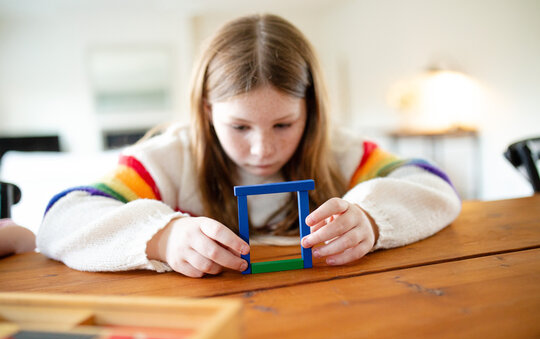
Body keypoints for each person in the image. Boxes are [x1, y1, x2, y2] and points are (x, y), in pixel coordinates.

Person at [37, 14, 461, 277]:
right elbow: (62, 218)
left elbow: (433, 186)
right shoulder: (168, 160)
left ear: (309, 111)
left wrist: (371, 217)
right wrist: (162, 237)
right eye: (239, 126)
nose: (262, 149)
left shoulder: (340, 152)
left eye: (283, 124)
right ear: (206, 111)